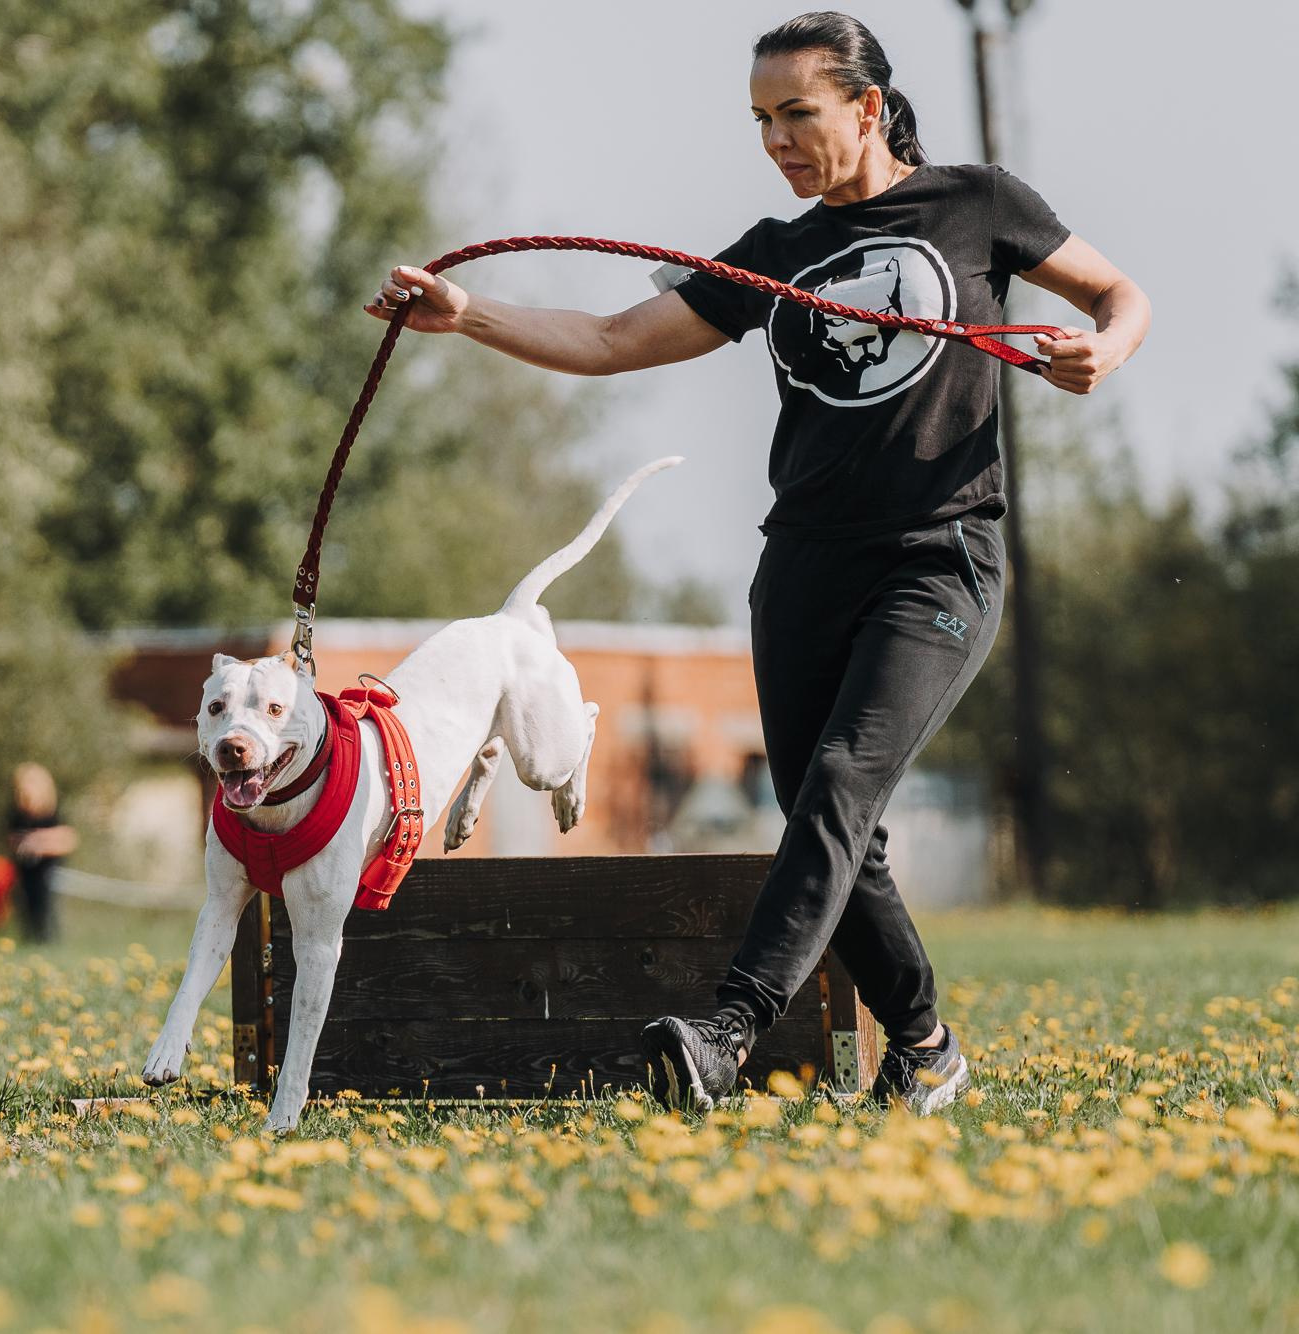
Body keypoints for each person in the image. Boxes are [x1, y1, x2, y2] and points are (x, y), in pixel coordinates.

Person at [365, 11, 1148, 1114]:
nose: (775, 139)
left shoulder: (977, 206)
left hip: (938, 558)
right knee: (830, 817)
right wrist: (466, 314)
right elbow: (607, 341)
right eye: (758, 120)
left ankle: (727, 1027)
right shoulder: (771, 256)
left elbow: (1121, 296)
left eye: (797, 114)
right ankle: (923, 1047)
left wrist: (1099, 353)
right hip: (802, 570)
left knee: (838, 783)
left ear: (865, 108)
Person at [5, 762, 78, 943]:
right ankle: (31, 940)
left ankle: (48, 941)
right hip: (26, 870)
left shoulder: (52, 813)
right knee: (27, 906)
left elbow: (69, 838)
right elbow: (11, 839)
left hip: (48, 870)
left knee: (46, 907)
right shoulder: (18, 815)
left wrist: (39, 842)